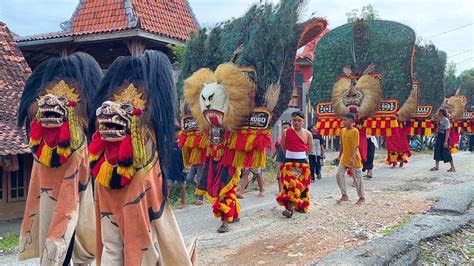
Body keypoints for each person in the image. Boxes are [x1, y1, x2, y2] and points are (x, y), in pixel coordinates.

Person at [89, 51, 195, 265]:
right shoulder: (106, 148)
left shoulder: (146, 133)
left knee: (122, 245)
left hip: (125, 177)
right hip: (119, 178)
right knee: (127, 244)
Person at [17, 53, 101, 265]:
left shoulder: (80, 128)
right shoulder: (40, 141)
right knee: (53, 231)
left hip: (76, 176)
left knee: (79, 229)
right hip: (49, 179)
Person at [276, 111, 313, 218]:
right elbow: (282, 146)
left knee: (301, 185)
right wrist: (290, 155)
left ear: (303, 122)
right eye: (294, 121)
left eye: (299, 121)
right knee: (289, 185)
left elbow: (309, 149)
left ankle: (300, 205)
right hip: (288, 162)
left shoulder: (308, 134)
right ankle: (289, 208)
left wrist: (300, 155)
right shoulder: (286, 132)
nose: (296, 123)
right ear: (292, 121)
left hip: (302, 163)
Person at [336, 113, 365, 205]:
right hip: (344, 157)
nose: (343, 122)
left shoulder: (355, 131)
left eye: (345, 120)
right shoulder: (342, 130)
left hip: (354, 158)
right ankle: (344, 195)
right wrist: (339, 155)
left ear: (352, 121)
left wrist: (352, 158)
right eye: (343, 120)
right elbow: (342, 145)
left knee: (357, 178)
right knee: (339, 175)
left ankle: (361, 197)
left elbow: (356, 146)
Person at [167, 127, 187, 209]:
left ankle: (183, 203)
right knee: (168, 186)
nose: (174, 134)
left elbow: (186, 157)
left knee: (181, 186)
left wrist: (185, 167)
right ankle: (165, 204)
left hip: (180, 169)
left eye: (176, 132)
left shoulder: (182, 144)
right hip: (170, 169)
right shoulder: (168, 144)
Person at [272, 121, 291, 193]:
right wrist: (272, 158)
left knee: (289, 174)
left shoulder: (293, 138)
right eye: (283, 128)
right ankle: (280, 190)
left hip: (290, 159)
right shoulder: (279, 138)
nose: (284, 130)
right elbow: (276, 149)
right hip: (280, 159)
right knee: (279, 174)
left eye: (286, 128)